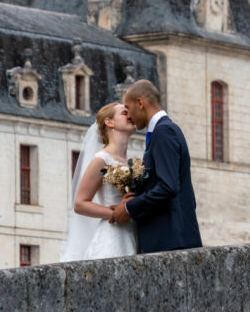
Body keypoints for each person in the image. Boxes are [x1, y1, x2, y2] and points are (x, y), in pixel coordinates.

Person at [109, 80, 202, 252]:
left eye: (128, 108)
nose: (129, 116)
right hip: (172, 238)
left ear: (140, 103)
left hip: (172, 240)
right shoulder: (164, 131)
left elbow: (168, 186)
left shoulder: (163, 132)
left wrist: (130, 208)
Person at [60, 102, 139, 261]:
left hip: (134, 232)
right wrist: (115, 213)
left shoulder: (133, 162)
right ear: (109, 122)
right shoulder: (101, 159)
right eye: (124, 113)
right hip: (113, 235)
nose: (131, 115)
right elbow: (80, 204)